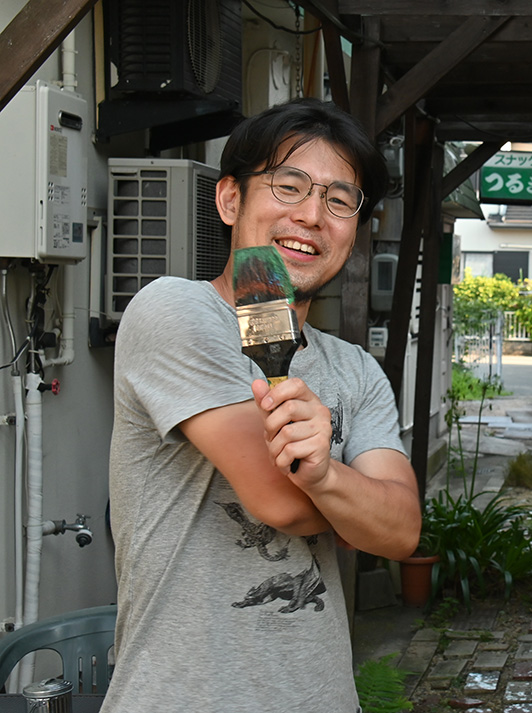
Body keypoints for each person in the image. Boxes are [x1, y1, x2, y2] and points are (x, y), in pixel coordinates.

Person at [105, 98, 421, 711]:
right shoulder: (174, 311)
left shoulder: (353, 368)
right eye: (289, 186)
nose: (311, 215)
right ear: (229, 201)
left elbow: (402, 531)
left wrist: (327, 474)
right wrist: (355, 502)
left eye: (338, 200)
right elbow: (279, 501)